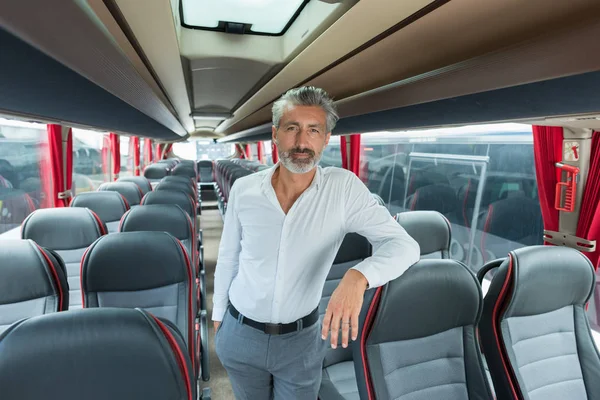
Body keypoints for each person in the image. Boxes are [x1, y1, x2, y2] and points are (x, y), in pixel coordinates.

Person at [213, 86, 420, 399]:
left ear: (326, 139)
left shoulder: (344, 189)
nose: (301, 142)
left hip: (301, 342)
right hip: (240, 332)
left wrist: (358, 277)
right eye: (292, 128)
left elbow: (405, 246)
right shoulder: (244, 189)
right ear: (275, 134)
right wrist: (219, 322)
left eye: (313, 130)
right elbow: (228, 258)